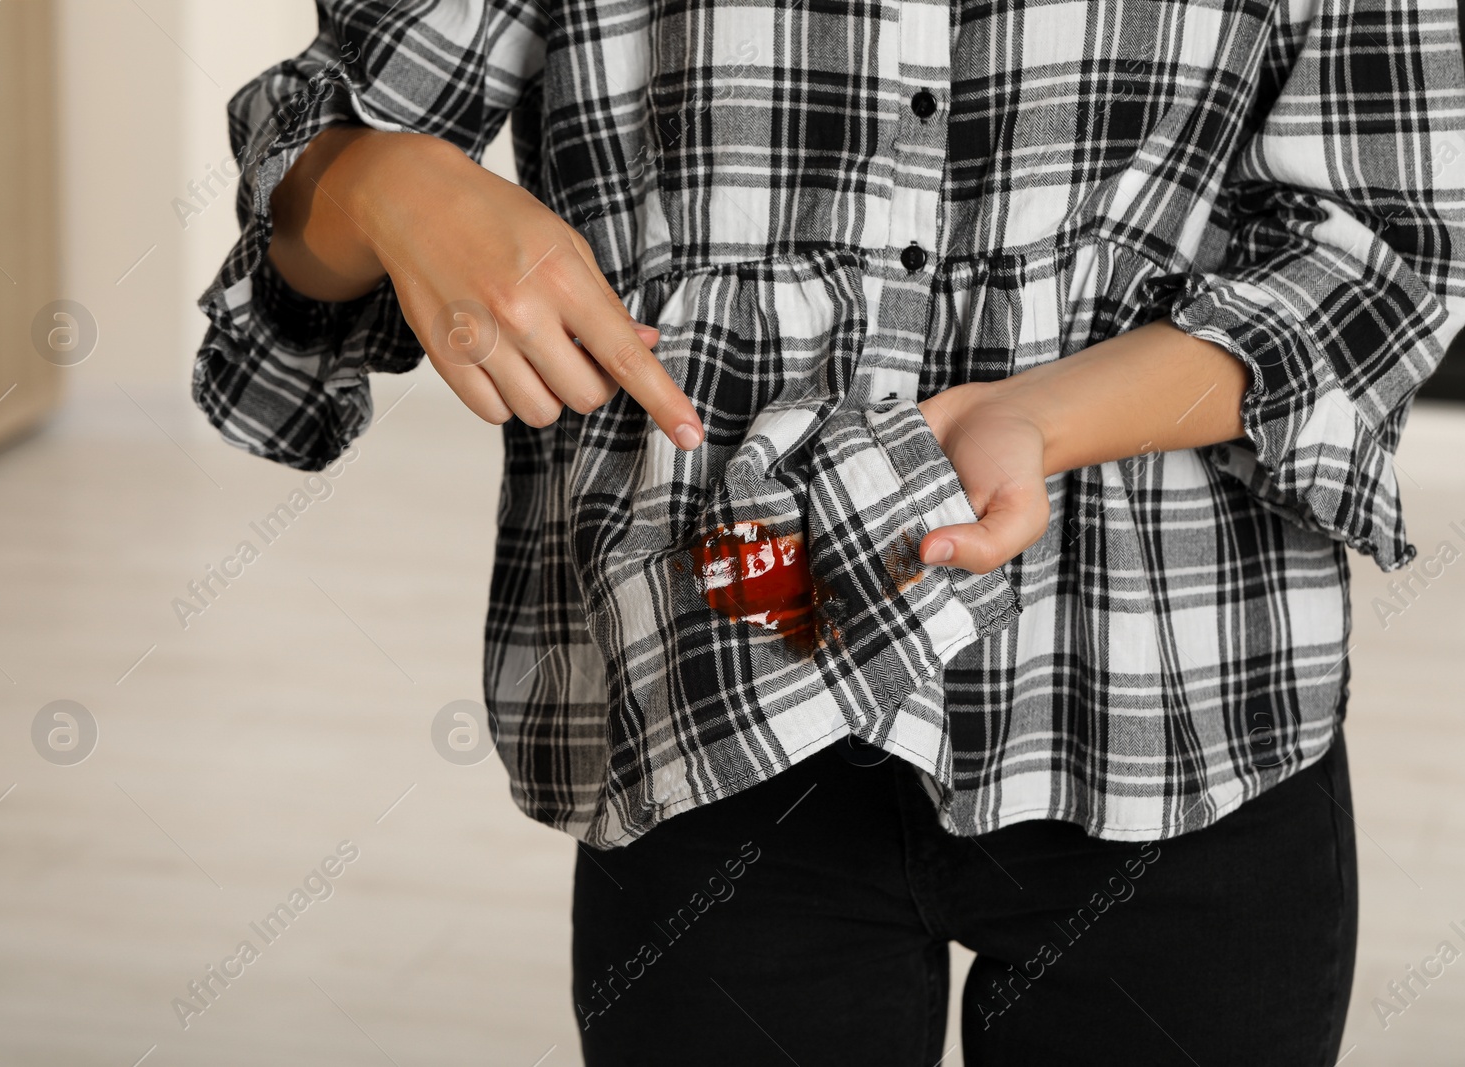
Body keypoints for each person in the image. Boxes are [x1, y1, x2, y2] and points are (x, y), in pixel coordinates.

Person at [192, 1, 1465, 1062]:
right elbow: (312, 167)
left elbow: (1382, 249)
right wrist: (387, 185)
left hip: (1170, 692)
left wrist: (1039, 418)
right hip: (714, 686)